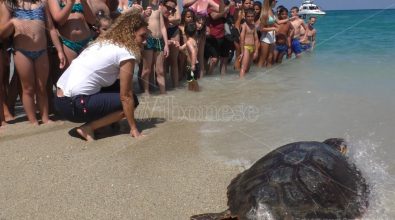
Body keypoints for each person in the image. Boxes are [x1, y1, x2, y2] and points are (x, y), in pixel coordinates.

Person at [55, 10, 148, 141]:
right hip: (74, 105)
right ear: (130, 34)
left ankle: (106, 123)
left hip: (60, 101)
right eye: (142, 37)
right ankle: (89, 128)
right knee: (132, 99)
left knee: (117, 87)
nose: (145, 42)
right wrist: (133, 128)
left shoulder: (104, 42)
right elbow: (126, 96)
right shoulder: (126, 52)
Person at [0, 0, 66, 125]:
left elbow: (51, 28)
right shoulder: (10, 4)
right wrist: (12, 22)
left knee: (42, 87)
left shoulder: (42, 2)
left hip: (41, 51)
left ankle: (45, 118)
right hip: (22, 52)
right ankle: (33, 120)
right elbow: (2, 33)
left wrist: (60, 50)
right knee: (28, 88)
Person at [48, 0, 96, 68]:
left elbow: (92, 20)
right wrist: (70, 3)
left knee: (90, 71)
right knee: (71, 74)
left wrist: (83, 2)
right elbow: (60, 21)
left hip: (86, 40)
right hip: (68, 43)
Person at [141, 0, 174, 95]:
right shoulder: (143, 9)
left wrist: (166, 45)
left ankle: (163, 93)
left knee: (160, 70)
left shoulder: (159, 10)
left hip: (159, 41)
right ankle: (146, 93)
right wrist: (144, 14)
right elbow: (139, 23)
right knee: (146, 70)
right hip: (148, 40)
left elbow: (163, 27)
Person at [239, 8, 259, 78]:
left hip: (252, 48)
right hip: (246, 48)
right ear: (245, 17)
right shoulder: (244, 26)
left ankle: (247, 86)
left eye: (252, 16)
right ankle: (241, 83)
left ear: (254, 17)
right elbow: (241, 39)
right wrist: (242, 52)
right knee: (243, 68)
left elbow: (256, 39)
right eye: (248, 16)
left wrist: (256, 51)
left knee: (248, 69)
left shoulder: (253, 26)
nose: (250, 18)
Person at [180, 23, 199, 91]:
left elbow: (193, 52)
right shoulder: (193, 41)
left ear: (185, 33)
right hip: (192, 65)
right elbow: (182, 48)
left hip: (192, 65)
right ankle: (191, 94)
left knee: (193, 81)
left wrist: (193, 65)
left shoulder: (189, 42)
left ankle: (197, 93)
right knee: (190, 81)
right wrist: (176, 44)